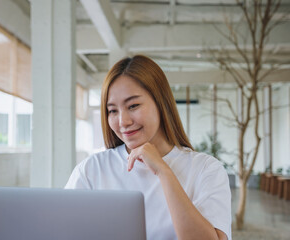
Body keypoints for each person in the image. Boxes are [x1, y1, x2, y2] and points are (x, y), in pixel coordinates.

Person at [65, 55, 231, 240]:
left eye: (133, 105)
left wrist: (163, 171)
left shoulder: (205, 169)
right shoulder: (91, 170)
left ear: (161, 103)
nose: (123, 121)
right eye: (112, 110)